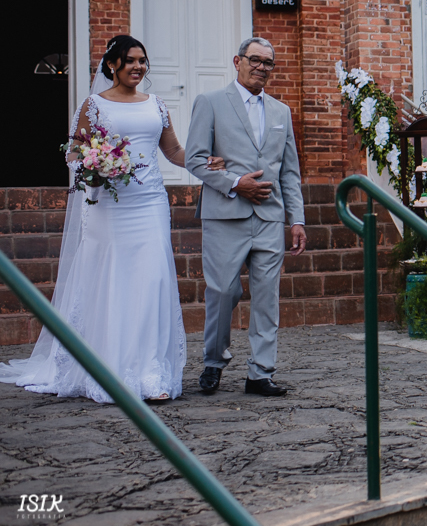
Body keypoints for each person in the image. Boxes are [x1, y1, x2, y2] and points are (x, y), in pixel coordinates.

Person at [0, 35, 224, 403]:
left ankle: (150, 373)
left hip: (149, 203)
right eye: (130, 60)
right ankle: (109, 369)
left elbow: (173, 151)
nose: (138, 67)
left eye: (142, 60)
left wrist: (204, 161)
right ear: (112, 65)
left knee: (152, 281)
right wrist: (96, 166)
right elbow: (74, 152)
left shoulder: (156, 105)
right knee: (113, 281)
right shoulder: (94, 105)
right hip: (109, 207)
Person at [185, 37, 306, 397]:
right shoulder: (210, 102)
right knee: (223, 291)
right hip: (225, 215)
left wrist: (297, 220)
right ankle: (213, 361)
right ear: (237, 61)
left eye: (268, 62)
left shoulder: (281, 111)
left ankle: (260, 373)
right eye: (255, 60)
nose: (261, 68)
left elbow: (289, 172)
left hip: (269, 217)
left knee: (267, 297)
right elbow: (195, 159)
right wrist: (236, 183)